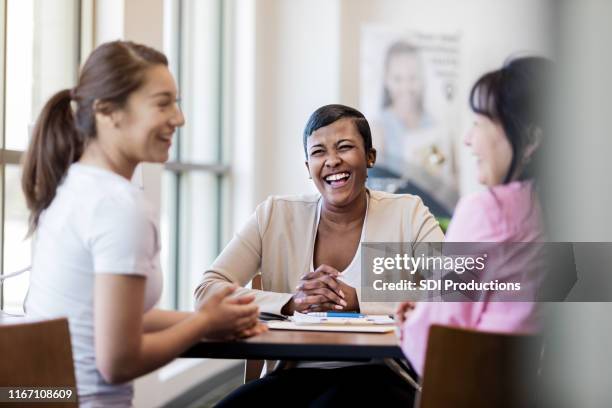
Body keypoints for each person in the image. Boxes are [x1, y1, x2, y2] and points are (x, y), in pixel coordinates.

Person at [22, 40, 265, 407]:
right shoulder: (119, 206)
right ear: (109, 112)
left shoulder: (73, 185)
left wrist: (213, 319)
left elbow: (111, 318)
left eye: (176, 102)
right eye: (162, 103)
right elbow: (117, 362)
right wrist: (202, 324)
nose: (179, 118)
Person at [195, 104, 444, 406]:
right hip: (293, 376)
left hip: (380, 375)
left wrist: (360, 300)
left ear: (370, 157)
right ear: (307, 166)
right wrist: (289, 302)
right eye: (318, 152)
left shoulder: (407, 212)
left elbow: (459, 290)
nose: (332, 161)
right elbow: (207, 292)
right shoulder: (274, 214)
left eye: (345, 147)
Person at [398, 56, 553, 376]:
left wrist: (415, 323)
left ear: (531, 140)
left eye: (480, 123)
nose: (468, 139)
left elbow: (435, 350)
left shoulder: (486, 210)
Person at [371, 40, 458, 215]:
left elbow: (448, 178)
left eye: (412, 77)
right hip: (395, 219)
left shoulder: (434, 127)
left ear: (422, 79)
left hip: (433, 215)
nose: (406, 86)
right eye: (398, 78)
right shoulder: (378, 128)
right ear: (386, 80)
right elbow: (375, 190)